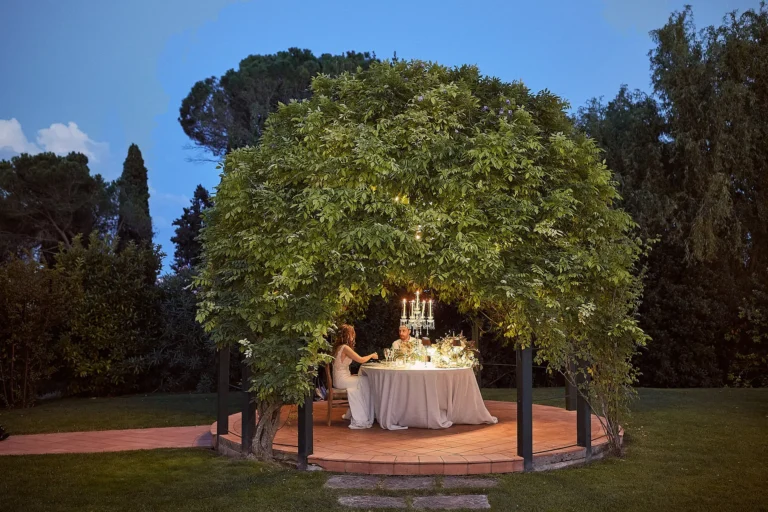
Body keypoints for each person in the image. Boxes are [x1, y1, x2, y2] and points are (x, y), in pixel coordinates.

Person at [332, 324, 377, 429]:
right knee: (366, 381)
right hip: (341, 380)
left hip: (340, 378)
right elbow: (360, 359)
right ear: (347, 335)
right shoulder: (345, 348)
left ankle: (361, 412)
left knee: (363, 380)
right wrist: (372, 355)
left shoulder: (339, 347)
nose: (353, 337)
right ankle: (363, 415)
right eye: (352, 334)